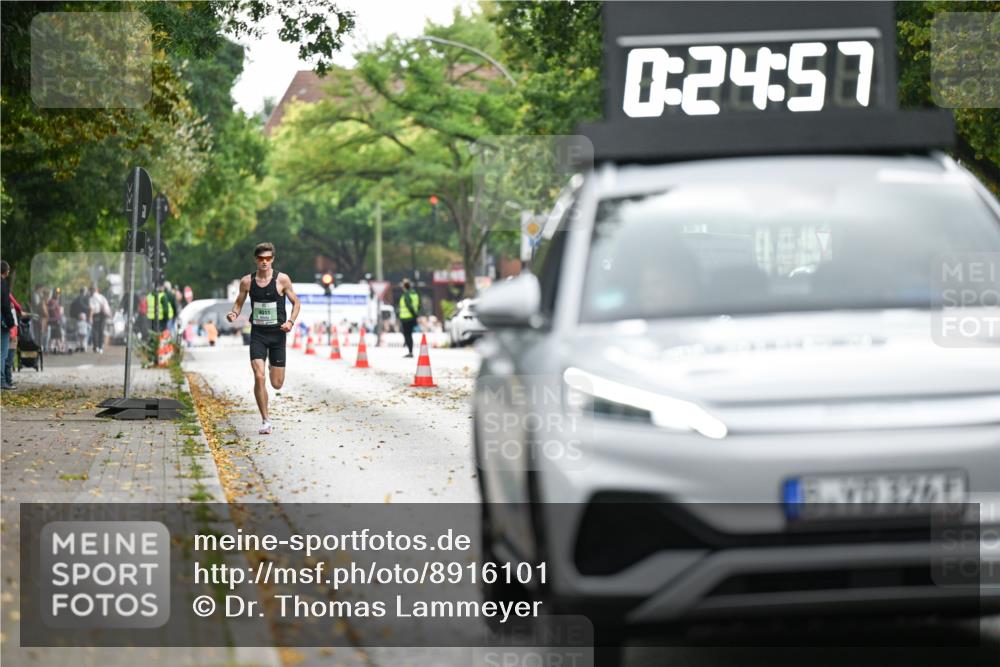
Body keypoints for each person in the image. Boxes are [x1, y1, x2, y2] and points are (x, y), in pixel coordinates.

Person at [226, 242, 300, 435]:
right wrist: (233, 314)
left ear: (272, 259)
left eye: (268, 258)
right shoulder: (247, 282)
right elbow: (238, 304)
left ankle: (271, 367)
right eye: (261, 259)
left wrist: (290, 322)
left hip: (278, 335)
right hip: (258, 334)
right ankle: (266, 420)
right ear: (256, 260)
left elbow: (296, 303)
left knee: (276, 383)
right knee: (259, 376)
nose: (264, 262)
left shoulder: (282, 280)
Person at [397, 278, 420, 358]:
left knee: (407, 334)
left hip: (406, 318)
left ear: (404, 286)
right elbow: (419, 305)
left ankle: (410, 351)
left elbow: (409, 306)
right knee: (409, 334)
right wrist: (416, 315)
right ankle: (409, 348)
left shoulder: (406, 295)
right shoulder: (415, 294)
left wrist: (413, 314)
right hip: (412, 318)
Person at [1, 262, 15, 389]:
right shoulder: (3, 285)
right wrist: (11, 323)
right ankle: (1, 380)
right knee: (2, 352)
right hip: (2, 322)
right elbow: (5, 306)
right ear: (5, 271)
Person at [89, 285, 110, 353]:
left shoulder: (92, 298)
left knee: (95, 331)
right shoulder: (101, 297)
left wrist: (90, 317)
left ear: (91, 291)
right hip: (103, 315)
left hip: (96, 314)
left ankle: (96, 346)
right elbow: (106, 305)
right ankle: (101, 347)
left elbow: (92, 308)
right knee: (101, 331)